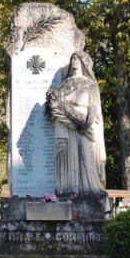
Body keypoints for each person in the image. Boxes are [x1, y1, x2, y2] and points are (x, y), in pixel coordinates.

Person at [45, 51, 106, 197]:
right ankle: (68, 188)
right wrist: (51, 100)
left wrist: (87, 123)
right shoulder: (65, 84)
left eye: (77, 58)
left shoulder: (89, 84)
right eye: (72, 58)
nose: (74, 60)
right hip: (65, 125)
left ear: (83, 62)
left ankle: (90, 189)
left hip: (84, 125)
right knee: (67, 156)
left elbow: (93, 107)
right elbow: (52, 107)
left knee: (86, 156)